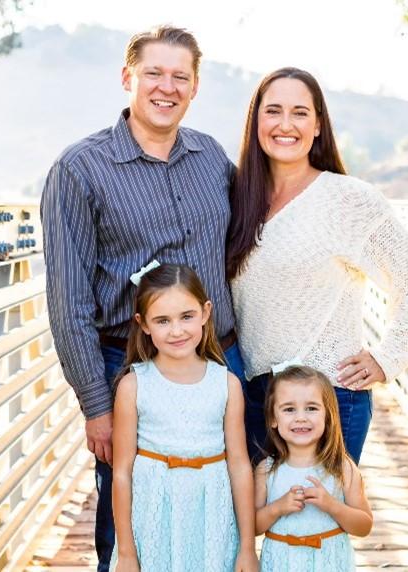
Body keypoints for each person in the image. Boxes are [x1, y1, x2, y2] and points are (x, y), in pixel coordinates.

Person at [41, 26, 245, 570]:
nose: (166, 87)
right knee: (127, 509)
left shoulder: (211, 158)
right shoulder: (78, 170)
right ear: (128, 77)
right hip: (127, 365)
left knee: (229, 499)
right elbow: (68, 301)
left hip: (220, 357)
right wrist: (96, 404)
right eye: (154, 73)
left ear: (195, 87)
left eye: (181, 76)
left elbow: (255, 236)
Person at [227, 68, 408, 465]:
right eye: (273, 111)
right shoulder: (238, 197)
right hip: (256, 397)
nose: (285, 125)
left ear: (319, 124)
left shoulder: (347, 199)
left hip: (327, 397)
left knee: (314, 526)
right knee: (261, 523)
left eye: (300, 113)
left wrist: (387, 357)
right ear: (256, 121)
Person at [110, 263, 257, 572]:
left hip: (210, 516)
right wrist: (125, 552)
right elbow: (122, 472)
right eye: (162, 320)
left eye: (186, 317)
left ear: (205, 313)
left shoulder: (226, 384)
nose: (176, 330)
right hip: (154, 515)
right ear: (144, 324)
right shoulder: (133, 385)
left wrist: (246, 546)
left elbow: (240, 466)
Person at [255, 366, 372, 571]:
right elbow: (251, 527)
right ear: (273, 418)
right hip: (282, 563)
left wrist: (332, 505)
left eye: (311, 408)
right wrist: (277, 508)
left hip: (329, 563)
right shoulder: (266, 470)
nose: (301, 417)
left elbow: (364, 526)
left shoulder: (342, 467)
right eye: (289, 409)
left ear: (328, 416)